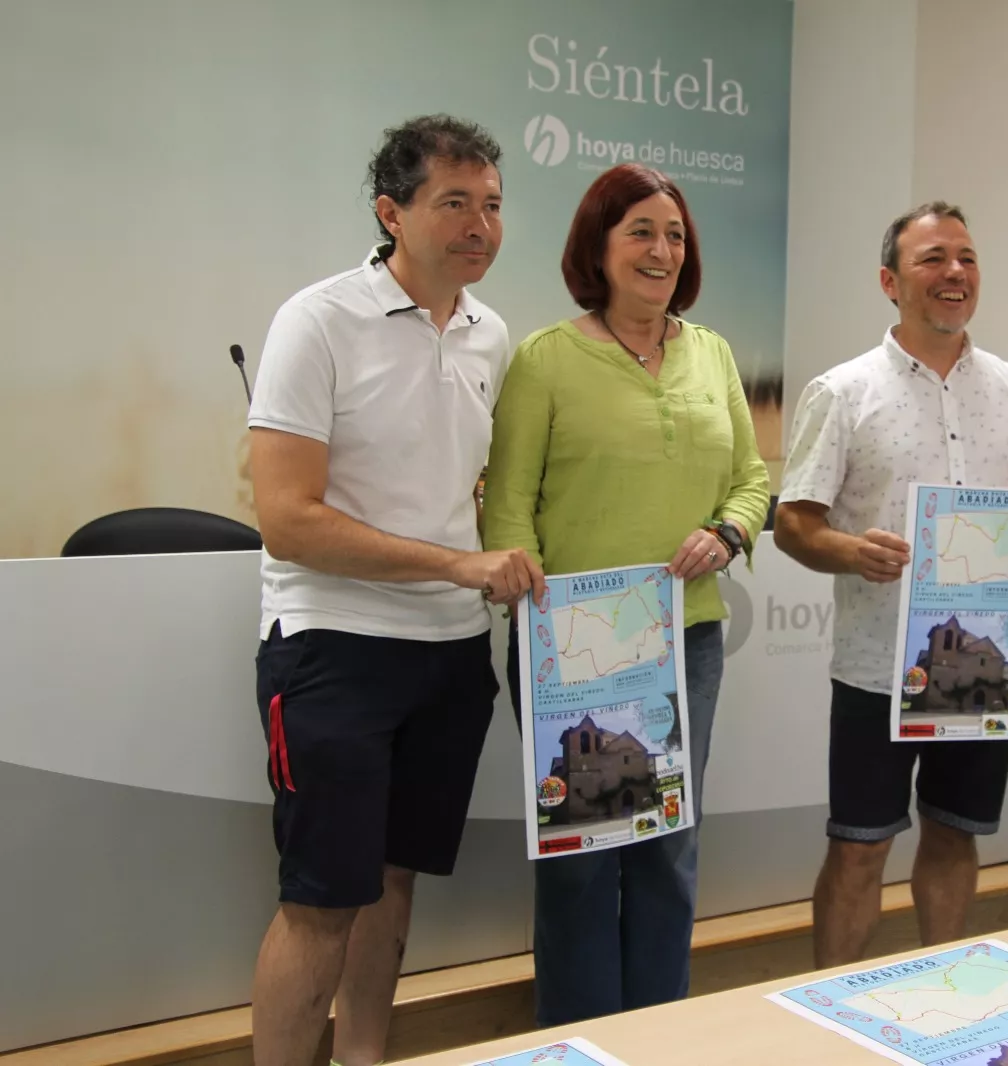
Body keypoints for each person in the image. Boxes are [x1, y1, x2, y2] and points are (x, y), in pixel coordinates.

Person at [246, 115, 536, 1066]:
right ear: (390, 212)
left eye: (492, 205)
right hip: (334, 645)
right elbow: (287, 519)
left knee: (392, 881)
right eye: (453, 203)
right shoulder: (317, 320)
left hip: (451, 653)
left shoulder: (492, 335)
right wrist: (457, 565)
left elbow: (469, 490)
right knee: (323, 899)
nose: (480, 226)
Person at [480, 162, 769, 1025]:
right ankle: (580, 1040)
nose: (661, 250)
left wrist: (728, 533)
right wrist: (540, 616)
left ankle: (658, 1033)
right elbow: (509, 506)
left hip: (686, 642)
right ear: (598, 247)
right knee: (579, 857)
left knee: (667, 848)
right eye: (640, 230)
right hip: (571, 649)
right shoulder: (546, 359)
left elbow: (753, 480)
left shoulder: (713, 353)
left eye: (675, 235)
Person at [775, 202, 1008, 968]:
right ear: (890, 281)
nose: (955, 273)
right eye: (932, 259)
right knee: (859, 847)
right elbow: (793, 524)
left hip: (987, 664)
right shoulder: (843, 391)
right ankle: (829, 1005)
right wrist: (853, 551)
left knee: (955, 834)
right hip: (878, 667)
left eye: (967, 258)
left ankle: (941, 995)